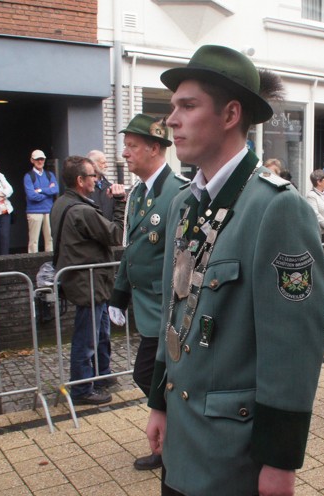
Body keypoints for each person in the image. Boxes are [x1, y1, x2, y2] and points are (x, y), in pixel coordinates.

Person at [147, 44, 324, 496]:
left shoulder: (275, 207)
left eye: (187, 106)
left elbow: (293, 344)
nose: (172, 120)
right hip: (183, 440)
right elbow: (173, 309)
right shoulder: (186, 202)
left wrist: (280, 456)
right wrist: (159, 404)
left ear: (230, 115)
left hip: (230, 450)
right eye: (173, 107)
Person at [108, 114, 186, 471]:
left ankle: (175, 440)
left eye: (132, 146)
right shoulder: (139, 193)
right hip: (146, 306)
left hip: (168, 308)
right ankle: (174, 440)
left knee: (149, 375)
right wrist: (119, 294)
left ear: (155, 148)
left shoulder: (179, 193)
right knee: (155, 377)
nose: (125, 153)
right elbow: (132, 250)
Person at [51, 156, 126, 406]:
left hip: (89, 280)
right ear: (80, 180)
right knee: (87, 338)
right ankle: (82, 389)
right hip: (88, 282)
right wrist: (120, 202)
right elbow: (116, 235)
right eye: (93, 175)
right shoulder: (81, 210)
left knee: (101, 332)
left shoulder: (62, 203)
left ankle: (101, 374)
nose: (97, 179)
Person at [23, 149, 58, 253]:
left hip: (48, 210)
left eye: (42, 159)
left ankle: (50, 260)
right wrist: (48, 193)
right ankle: (32, 261)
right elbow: (31, 196)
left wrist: (40, 190)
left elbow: (56, 190)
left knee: (50, 239)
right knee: (33, 241)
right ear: (32, 160)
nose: (40, 161)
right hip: (34, 212)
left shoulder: (50, 175)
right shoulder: (28, 176)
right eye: (37, 159)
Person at [88, 149, 116, 221]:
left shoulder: (111, 187)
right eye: (103, 163)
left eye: (106, 162)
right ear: (92, 165)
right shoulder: (84, 189)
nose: (106, 166)